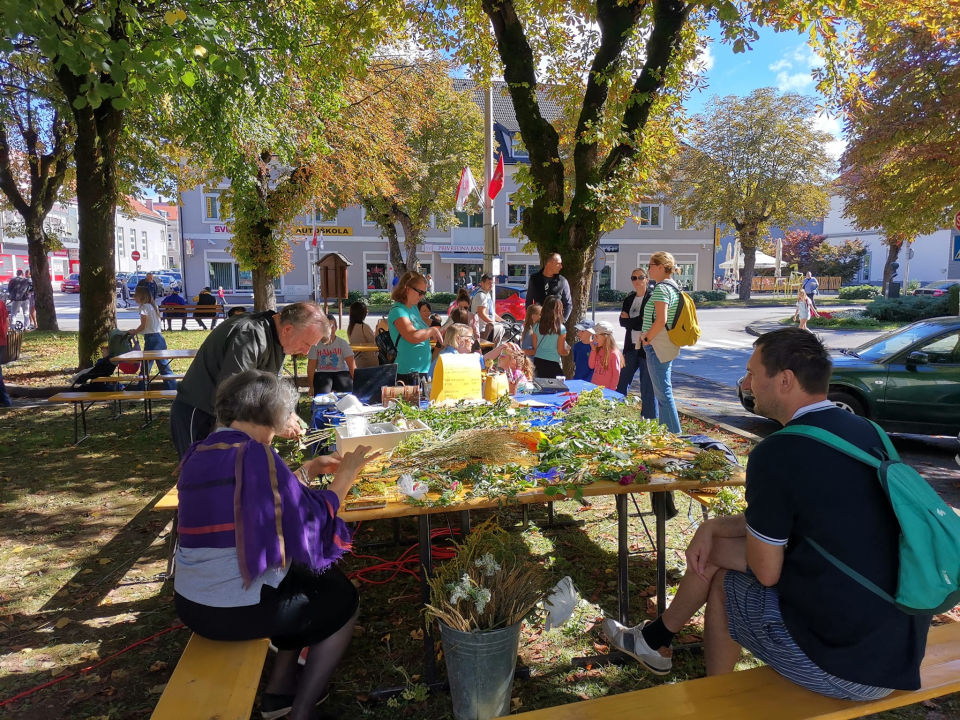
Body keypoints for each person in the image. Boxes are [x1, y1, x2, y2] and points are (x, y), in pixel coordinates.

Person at [603, 328, 930, 701]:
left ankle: (712, 699)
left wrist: (713, 546)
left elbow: (766, 571)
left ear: (785, 380)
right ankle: (656, 640)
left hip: (848, 670)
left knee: (726, 581)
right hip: (899, 652)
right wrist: (714, 527)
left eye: (752, 373)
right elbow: (811, 513)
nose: (745, 383)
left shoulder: (778, 453)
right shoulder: (868, 432)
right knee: (721, 555)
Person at [174, 370, 382, 720]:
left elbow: (263, 499)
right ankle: (301, 711)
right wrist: (344, 478)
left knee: (304, 580)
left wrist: (308, 470)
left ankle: (279, 691)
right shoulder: (256, 454)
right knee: (343, 602)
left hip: (191, 604)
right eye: (286, 413)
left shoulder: (201, 450)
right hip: (229, 612)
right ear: (271, 414)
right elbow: (308, 521)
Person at [170, 301, 328, 458]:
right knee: (202, 477)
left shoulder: (279, 337)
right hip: (200, 414)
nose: (306, 352)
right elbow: (235, 394)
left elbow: (270, 387)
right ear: (287, 329)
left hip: (223, 417)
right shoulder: (250, 334)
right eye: (306, 343)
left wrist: (287, 414)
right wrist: (277, 421)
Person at [639, 252, 682, 434]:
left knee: (663, 394)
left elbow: (661, 320)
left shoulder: (661, 289)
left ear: (660, 267)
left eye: (650, 265)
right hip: (663, 344)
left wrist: (647, 338)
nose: (648, 269)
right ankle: (667, 433)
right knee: (663, 392)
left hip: (656, 344)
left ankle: (674, 435)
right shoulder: (672, 287)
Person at [387, 271, 443, 388]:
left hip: (422, 369)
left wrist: (437, 332)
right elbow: (412, 336)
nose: (422, 296)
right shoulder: (398, 310)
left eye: (424, 293)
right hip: (408, 371)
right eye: (420, 292)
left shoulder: (413, 308)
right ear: (407, 288)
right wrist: (432, 330)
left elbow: (421, 333)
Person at [617, 268, 658, 420]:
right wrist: (633, 321)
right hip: (630, 347)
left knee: (647, 385)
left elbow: (645, 323)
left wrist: (631, 321)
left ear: (646, 279)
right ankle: (618, 413)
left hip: (646, 348)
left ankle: (649, 419)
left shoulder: (651, 298)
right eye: (634, 278)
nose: (637, 281)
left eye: (640, 277)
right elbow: (622, 322)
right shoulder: (629, 300)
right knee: (622, 382)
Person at [126, 286, 177, 391]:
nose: (134, 297)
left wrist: (133, 332)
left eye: (136, 295)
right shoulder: (153, 307)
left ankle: (141, 390)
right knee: (164, 367)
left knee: (145, 368)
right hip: (159, 338)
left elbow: (143, 326)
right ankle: (173, 389)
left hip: (151, 340)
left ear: (141, 296)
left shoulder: (144, 308)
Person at [307, 314, 355, 394]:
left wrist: (356, 383)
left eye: (332, 327)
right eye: (326, 327)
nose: (329, 331)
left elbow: (352, 364)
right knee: (322, 394)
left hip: (341, 372)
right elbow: (311, 367)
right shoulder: (315, 344)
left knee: (346, 394)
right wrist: (311, 387)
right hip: (322, 373)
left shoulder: (342, 343)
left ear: (336, 328)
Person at [525, 253, 572, 321]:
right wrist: (531, 319)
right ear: (549, 264)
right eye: (558, 263)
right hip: (538, 324)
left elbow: (568, 304)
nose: (561, 266)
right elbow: (529, 302)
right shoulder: (534, 279)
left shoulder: (562, 281)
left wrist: (562, 321)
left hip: (555, 325)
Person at [532, 296, 569, 378]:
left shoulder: (536, 326)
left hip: (538, 360)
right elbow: (561, 351)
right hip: (553, 362)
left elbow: (535, 346)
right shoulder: (561, 329)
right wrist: (567, 351)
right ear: (558, 311)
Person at [470, 274, 506, 344]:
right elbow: (481, 314)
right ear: (482, 284)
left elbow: (491, 313)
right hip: (482, 330)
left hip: (488, 329)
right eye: (489, 283)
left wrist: (503, 321)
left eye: (492, 283)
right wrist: (494, 323)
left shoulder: (487, 294)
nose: (491, 285)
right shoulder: (481, 296)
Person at [588, 321, 623, 391]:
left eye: (596, 336)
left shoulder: (614, 354)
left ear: (605, 337)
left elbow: (616, 375)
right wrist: (593, 350)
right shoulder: (598, 350)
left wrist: (612, 391)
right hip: (594, 388)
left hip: (606, 390)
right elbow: (591, 366)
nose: (594, 339)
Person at [346, 302, 378, 369]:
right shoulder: (364, 327)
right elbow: (375, 342)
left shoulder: (350, 327)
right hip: (367, 362)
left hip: (356, 360)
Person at [0, 296, 11, 407]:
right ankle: (4, 399)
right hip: (1, 341)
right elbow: (7, 321)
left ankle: (4, 399)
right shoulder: (1, 304)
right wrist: (4, 334)